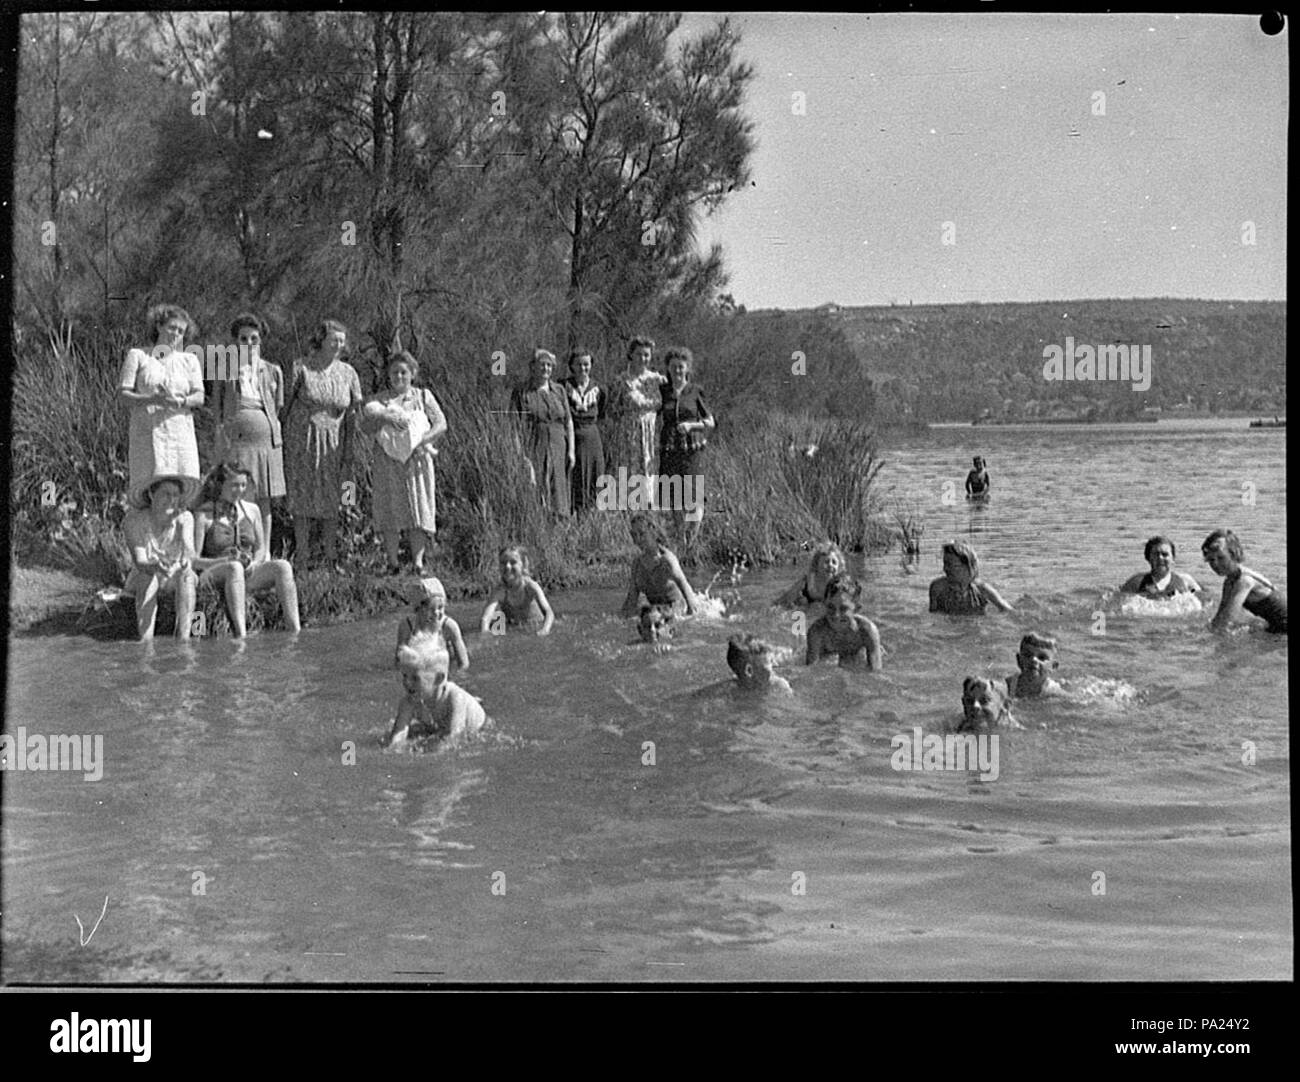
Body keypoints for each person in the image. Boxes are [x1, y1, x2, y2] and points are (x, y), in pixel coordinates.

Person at [282, 318, 362, 570]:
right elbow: (284, 405)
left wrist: (350, 448)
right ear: (321, 340)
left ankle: (331, 557)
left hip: (334, 442)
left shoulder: (348, 373)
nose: (338, 345)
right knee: (302, 496)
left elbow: (354, 413)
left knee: (334, 498)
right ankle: (302, 556)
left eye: (341, 340)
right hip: (302, 440)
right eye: (333, 340)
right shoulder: (301, 366)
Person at [359, 351, 446, 575]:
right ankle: (393, 563)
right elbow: (365, 428)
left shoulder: (423, 396)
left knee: (418, 508)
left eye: (403, 372)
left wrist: (421, 441)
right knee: (390, 508)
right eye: (394, 372)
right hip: (387, 461)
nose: (399, 376)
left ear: (412, 374)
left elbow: (441, 424)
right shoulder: (378, 401)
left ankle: (418, 563)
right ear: (388, 374)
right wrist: (384, 418)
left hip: (417, 461)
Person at [192, 462, 301, 636]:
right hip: (214, 573)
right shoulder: (203, 515)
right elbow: (194, 560)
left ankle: (294, 630)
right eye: (234, 485)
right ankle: (240, 634)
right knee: (234, 568)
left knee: (283, 566)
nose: (240, 490)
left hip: (246, 572)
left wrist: (254, 562)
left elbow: (260, 548)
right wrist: (225, 561)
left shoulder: (252, 510)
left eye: (243, 485)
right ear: (220, 485)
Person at [210, 313, 286, 553]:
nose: (249, 343)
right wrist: (221, 437)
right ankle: (240, 549)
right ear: (235, 342)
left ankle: (263, 554)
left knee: (264, 500)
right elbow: (217, 407)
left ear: (261, 341)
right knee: (239, 496)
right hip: (237, 442)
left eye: (254, 338)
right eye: (244, 338)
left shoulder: (273, 370)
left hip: (266, 443)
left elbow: (278, 406)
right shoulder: (225, 369)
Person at [119, 304, 204, 507]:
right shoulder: (138, 356)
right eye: (172, 327)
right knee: (150, 490)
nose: (175, 334)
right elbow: (123, 395)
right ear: (159, 326)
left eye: (181, 331)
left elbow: (199, 396)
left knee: (180, 492)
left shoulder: (189, 360)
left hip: (180, 433)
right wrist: (152, 399)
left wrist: (182, 401)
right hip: (148, 432)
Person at [122, 477, 199, 641]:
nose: (172, 500)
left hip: (173, 576)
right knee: (148, 577)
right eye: (166, 494)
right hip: (144, 574)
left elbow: (190, 554)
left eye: (176, 495)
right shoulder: (134, 521)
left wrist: (181, 530)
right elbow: (140, 561)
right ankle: (146, 641)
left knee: (187, 576)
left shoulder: (185, 518)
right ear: (151, 494)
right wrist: (155, 566)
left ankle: (184, 639)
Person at [386, 631, 489, 748]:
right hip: (439, 726)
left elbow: (454, 738)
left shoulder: (455, 698)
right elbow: (397, 736)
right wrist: (394, 747)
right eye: (405, 676)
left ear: (439, 679)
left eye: (415, 678)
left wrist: (426, 752)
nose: (407, 682)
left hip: (476, 727)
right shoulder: (409, 701)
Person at [658, 347, 715, 541]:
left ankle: (692, 539)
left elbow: (710, 422)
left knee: (694, 496)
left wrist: (692, 425)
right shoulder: (663, 391)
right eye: (673, 367)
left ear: (687, 368)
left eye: (681, 367)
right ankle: (680, 537)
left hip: (691, 449)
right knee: (673, 496)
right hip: (670, 449)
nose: (677, 371)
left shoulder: (695, 391)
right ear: (668, 368)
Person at [511, 349, 574, 516]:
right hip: (535, 445)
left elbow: (568, 421)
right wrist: (521, 457)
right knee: (538, 488)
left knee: (560, 490)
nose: (546, 369)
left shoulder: (559, 390)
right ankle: (539, 529)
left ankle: (561, 526)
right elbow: (514, 428)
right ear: (532, 367)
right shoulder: (522, 392)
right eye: (542, 365)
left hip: (559, 446)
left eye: (549, 365)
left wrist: (571, 451)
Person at [1201, 529, 1287, 633]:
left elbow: (1227, 620)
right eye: (1211, 560)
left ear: (1234, 554)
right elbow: (1220, 616)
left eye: (1221, 558)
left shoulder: (1244, 581)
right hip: (1274, 626)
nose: (1215, 564)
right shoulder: (1229, 581)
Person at [620, 512, 701, 618]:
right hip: (656, 613)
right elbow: (631, 601)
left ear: (652, 530)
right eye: (634, 535)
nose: (638, 539)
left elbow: (688, 594)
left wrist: (691, 617)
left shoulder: (667, 560)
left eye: (642, 533)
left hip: (676, 611)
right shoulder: (637, 565)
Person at [804, 574, 883, 668]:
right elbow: (810, 670)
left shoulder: (867, 630)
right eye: (830, 607)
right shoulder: (817, 632)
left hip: (857, 654)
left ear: (857, 608)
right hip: (828, 655)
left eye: (843, 608)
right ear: (824, 604)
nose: (836, 615)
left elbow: (875, 671)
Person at [563, 347, 607, 513]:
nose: (583, 368)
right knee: (575, 478)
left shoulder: (599, 389)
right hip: (572, 437)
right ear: (572, 366)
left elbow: (603, 412)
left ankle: (591, 519)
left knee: (595, 478)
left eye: (586, 364)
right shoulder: (564, 387)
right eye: (579, 364)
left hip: (592, 437)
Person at [480, 545, 555, 635]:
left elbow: (549, 612)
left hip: (536, 627)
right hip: (514, 629)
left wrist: (545, 629)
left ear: (523, 565)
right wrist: (485, 632)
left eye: (513, 562)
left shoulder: (531, 587)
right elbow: (486, 618)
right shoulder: (499, 592)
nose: (507, 566)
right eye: (503, 563)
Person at [396, 577, 468, 670]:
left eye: (440, 607)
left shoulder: (449, 627)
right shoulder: (406, 626)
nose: (436, 613)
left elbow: (463, 664)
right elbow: (398, 663)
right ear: (418, 610)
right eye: (431, 609)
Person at [929, 540, 1014, 614]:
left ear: (967, 566)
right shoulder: (937, 588)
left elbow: (1008, 611)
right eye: (945, 563)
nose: (945, 569)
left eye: (950, 565)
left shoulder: (982, 590)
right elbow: (933, 617)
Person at [623, 336, 666, 480]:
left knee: (651, 470)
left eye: (646, 355)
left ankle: (650, 501)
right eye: (639, 354)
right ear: (631, 355)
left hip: (652, 432)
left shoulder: (658, 380)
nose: (642, 358)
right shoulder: (623, 380)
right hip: (630, 433)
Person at [1120, 536, 1202, 598]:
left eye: (1165, 554)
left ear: (1173, 558)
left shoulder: (1186, 581)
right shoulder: (1135, 583)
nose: (1160, 558)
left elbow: (1203, 599)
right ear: (1148, 558)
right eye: (1156, 554)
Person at [775, 541, 846, 610]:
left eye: (834, 562)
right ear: (816, 564)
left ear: (839, 567)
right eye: (826, 562)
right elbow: (784, 600)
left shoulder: (839, 585)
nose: (830, 565)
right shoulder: (807, 581)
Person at [727, 634, 793, 694]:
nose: (771, 671)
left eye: (771, 663)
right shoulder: (729, 689)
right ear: (749, 671)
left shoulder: (779, 687)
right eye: (766, 667)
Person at [1003, 633, 1061, 698]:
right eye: (1028, 655)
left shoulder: (1052, 691)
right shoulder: (1008, 685)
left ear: (1053, 666)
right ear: (1019, 660)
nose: (1033, 660)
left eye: (1041, 657)